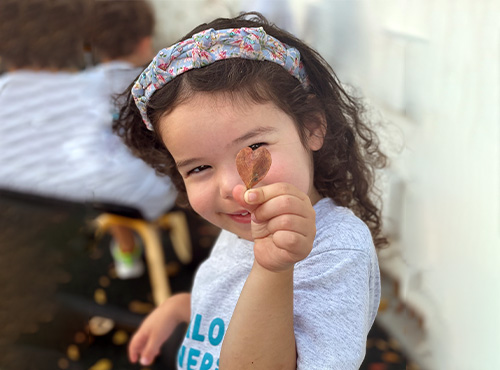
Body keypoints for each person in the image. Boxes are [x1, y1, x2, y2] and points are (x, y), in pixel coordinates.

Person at [114, 12, 388, 369]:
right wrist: (183, 309)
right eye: (198, 168)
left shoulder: (337, 248)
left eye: (254, 149)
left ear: (312, 127)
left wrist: (274, 270)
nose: (233, 187)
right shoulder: (244, 226)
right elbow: (231, 307)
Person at [0, 0, 177, 279]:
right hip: (132, 193)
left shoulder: (83, 85)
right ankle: (133, 250)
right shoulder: (159, 84)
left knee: (107, 163)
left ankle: (126, 253)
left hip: (63, 196)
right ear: (146, 41)